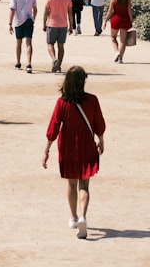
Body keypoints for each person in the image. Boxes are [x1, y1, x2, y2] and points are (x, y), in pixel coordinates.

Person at [43, 65, 105, 240]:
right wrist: (101, 140)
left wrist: (46, 150)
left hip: (68, 145)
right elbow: (99, 123)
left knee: (71, 184)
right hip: (86, 144)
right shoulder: (93, 100)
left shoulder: (62, 102)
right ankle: (83, 216)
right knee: (84, 185)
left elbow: (53, 128)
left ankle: (73, 217)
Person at [43, 0, 74, 74]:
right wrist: (71, 26)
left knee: (50, 43)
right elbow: (70, 13)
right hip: (63, 24)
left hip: (52, 23)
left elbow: (46, 12)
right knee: (61, 46)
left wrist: (44, 24)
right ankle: (59, 66)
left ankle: (54, 58)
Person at [8, 0, 37, 73]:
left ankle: (18, 62)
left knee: (18, 42)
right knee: (29, 42)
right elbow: (35, 8)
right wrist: (34, 18)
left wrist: (10, 23)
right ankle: (29, 64)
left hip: (18, 20)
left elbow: (12, 9)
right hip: (29, 19)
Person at [105, 0, 132, 64]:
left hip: (115, 20)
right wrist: (131, 20)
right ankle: (120, 58)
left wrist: (105, 21)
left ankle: (117, 52)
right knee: (123, 41)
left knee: (113, 38)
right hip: (125, 20)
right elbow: (129, 11)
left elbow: (110, 12)